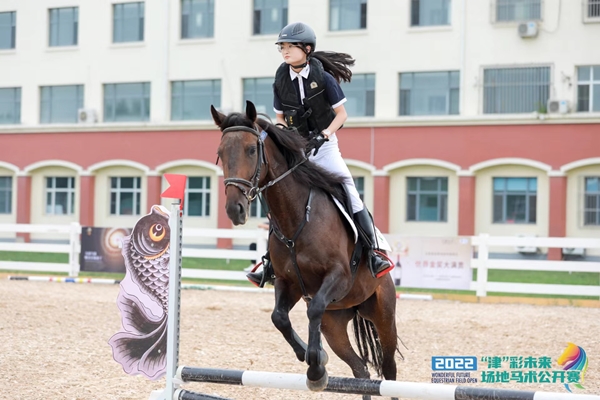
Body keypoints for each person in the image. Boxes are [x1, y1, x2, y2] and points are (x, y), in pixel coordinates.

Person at [246, 22, 393, 287]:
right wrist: (284, 136)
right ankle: (269, 263)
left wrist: (323, 135)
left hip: (325, 147)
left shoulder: (324, 78)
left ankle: (374, 253)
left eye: (290, 46)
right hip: (296, 149)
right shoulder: (280, 79)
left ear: (307, 49)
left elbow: (342, 115)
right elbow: (280, 118)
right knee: (279, 198)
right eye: (282, 47)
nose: (285, 51)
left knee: (349, 190)